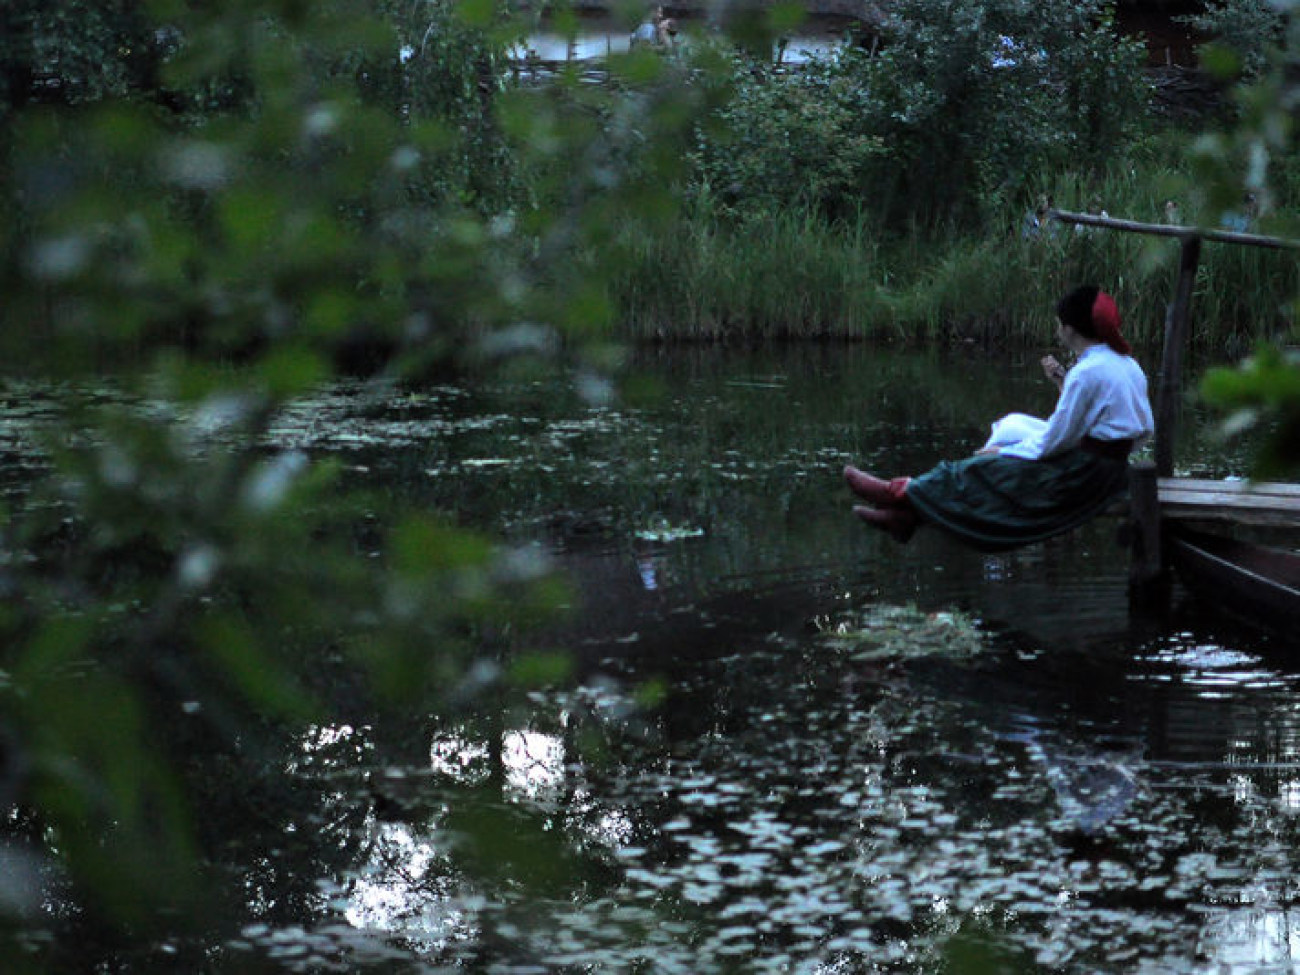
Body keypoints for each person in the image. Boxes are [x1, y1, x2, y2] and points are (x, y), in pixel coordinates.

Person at [843, 284, 1154, 551]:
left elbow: (1056, 441)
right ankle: (903, 515)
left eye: (1059, 324)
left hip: (1083, 475)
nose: (1057, 330)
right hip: (1109, 472)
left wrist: (1005, 451)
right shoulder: (1128, 365)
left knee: (982, 469)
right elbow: (1143, 431)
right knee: (998, 455)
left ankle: (896, 493)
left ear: (1070, 330)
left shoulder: (1087, 372)